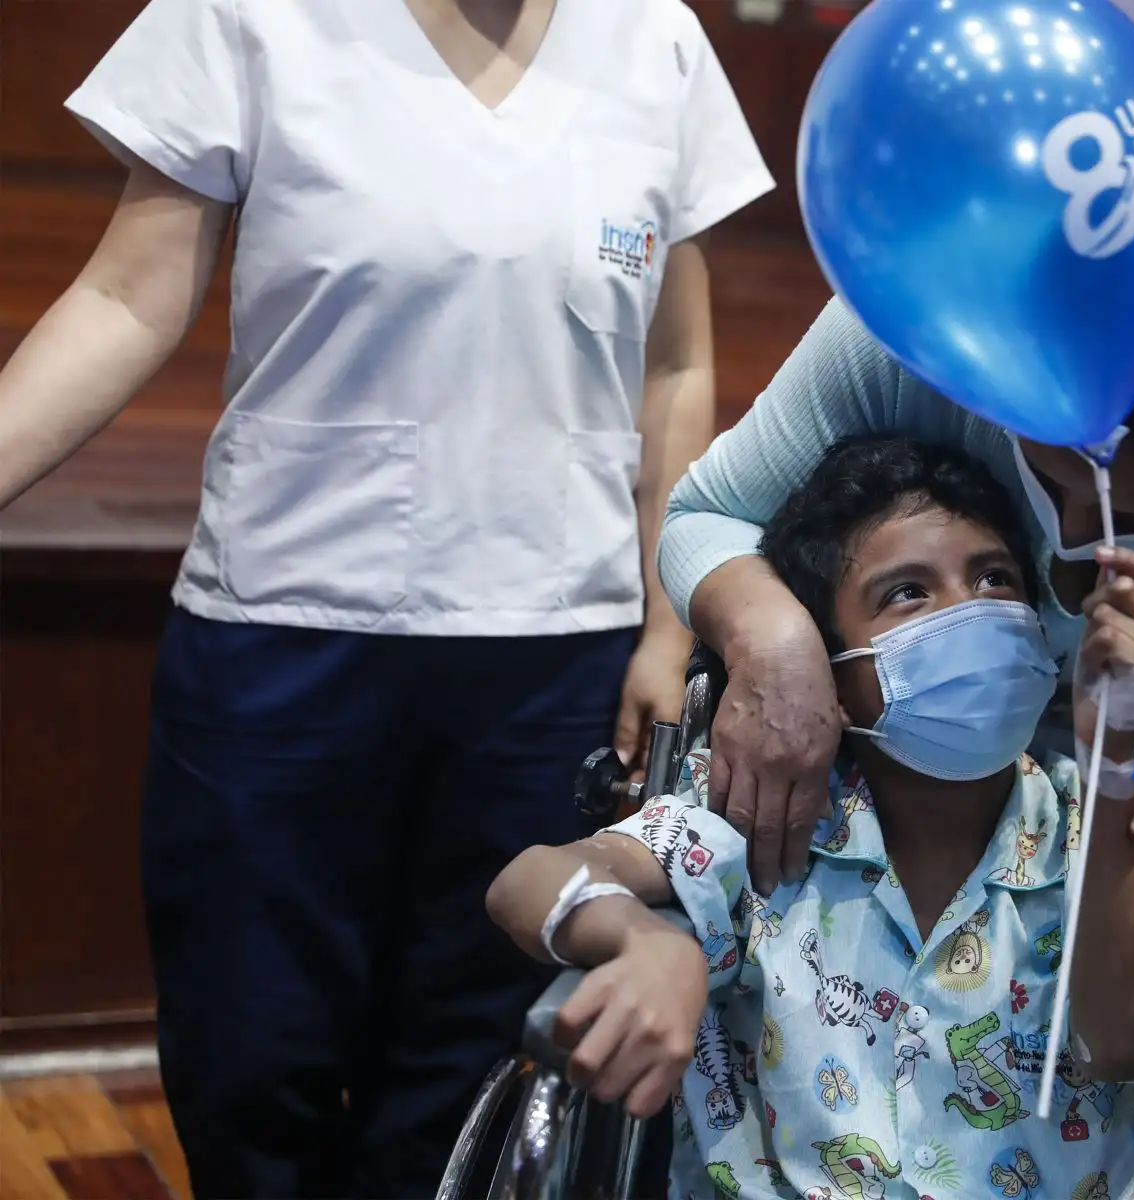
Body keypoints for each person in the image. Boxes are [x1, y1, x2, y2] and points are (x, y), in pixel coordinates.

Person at [0, 0, 772, 1194]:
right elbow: (126, 297)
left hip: (552, 660)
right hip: (282, 638)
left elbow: (675, 371)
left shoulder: (657, 39)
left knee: (468, 1073)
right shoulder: (250, 16)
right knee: (248, 1056)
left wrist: (667, 623)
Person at [660, 127, 1134, 921]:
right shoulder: (942, 295)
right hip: (885, 802)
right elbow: (710, 515)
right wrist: (774, 643)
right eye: (1047, 470)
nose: (1069, 540)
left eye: (1132, 517)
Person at [486, 436, 1134, 1198]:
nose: (971, 615)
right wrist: (645, 940)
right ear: (830, 671)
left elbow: (1123, 1046)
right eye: (908, 593)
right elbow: (527, 882)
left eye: (996, 579)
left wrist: (1116, 764)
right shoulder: (768, 822)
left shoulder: (1128, 828)